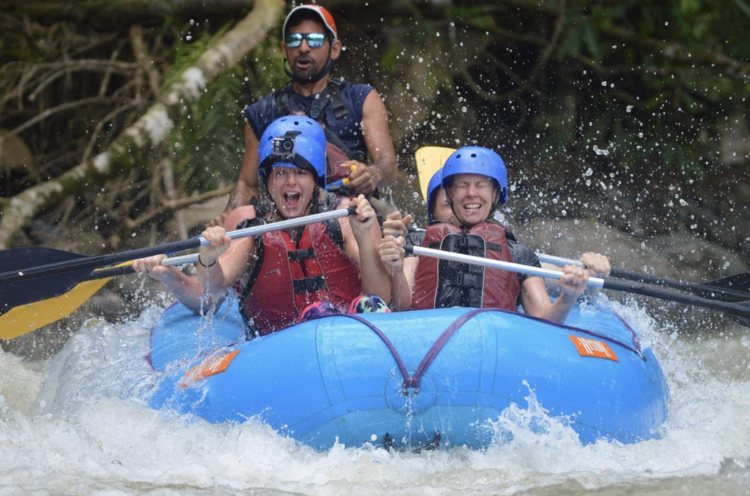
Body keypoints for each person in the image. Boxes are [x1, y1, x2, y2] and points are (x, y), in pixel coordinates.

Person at [197, 116, 391, 336]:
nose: (290, 181)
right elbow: (213, 283)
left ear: (316, 180)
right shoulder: (254, 228)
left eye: (300, 172)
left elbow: (381, 296)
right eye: (280, 173)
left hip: (347, 336)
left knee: (371, 304)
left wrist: (364, 236)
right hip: (281, 345)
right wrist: (209, 258)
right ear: (267, 180)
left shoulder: (345, 216)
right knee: (320, 313)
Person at [209, 4, 397, 227]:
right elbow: (248, 185)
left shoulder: (362, 99)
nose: (303, 47)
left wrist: (373, 174)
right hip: (285, 220)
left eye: (315, 39)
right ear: (284, 50)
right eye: (294, 40)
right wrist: (228, 219)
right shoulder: (263, 112)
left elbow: (388, 166)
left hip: (349, 217)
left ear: (335, 48)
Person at [377, 146, 610, 324]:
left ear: (496, 194)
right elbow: (400, 306)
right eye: (462, 186)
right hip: (429, 333)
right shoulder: (418, 242)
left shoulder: (518, 254)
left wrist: (568, 296)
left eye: (481, 185)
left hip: (495, 344)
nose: (471, 194)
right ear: (449, 194)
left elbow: (544, 320)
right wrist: (396, 268)